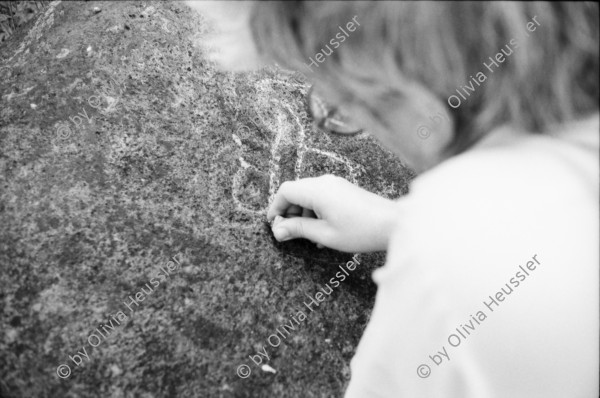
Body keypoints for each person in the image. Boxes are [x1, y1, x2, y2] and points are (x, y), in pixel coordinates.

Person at [187, 1, 599, 396]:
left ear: (421, 106)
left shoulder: (449, 268)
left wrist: (431, 234)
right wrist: (397, 222)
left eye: (341, 106)